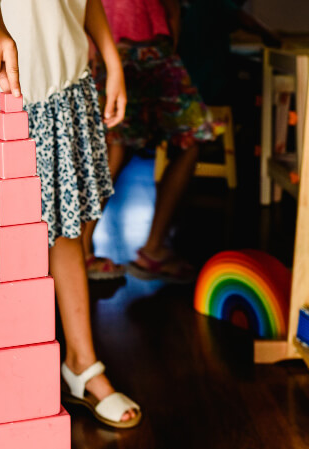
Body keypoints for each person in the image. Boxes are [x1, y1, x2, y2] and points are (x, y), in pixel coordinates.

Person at [0, 0, 142, 429]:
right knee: (10, 251)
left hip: (67, 87)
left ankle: (81, 364)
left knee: (67, 235)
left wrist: (112, 58)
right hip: (6, 92)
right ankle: (17, 381)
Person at [84, 0, 217, 283]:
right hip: (142, 49)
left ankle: (89, 250)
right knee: (123, 147)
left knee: (117, 148)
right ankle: (99, 250)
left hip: (120, 48)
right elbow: (171, 10)